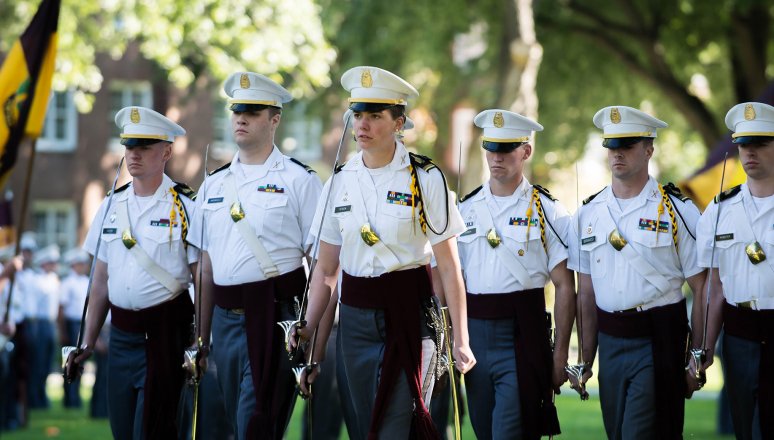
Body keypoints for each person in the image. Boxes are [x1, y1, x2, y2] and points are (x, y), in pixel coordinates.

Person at [295, 66, 476, 440]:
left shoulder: (425, 178)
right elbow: (326, 271)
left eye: (375, 116)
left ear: (399, 123)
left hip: (409, 316)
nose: (363, 124)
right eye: (358, 114)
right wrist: (308, 329)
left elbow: (448, 267)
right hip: (355, 323)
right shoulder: (339, 181)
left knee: (396, 427)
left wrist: (461, 339)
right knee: (365, 429)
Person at [186, 71, 322, 440]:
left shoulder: (300, 180)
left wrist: (312, 337)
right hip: (225, 322)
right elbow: (205, 267)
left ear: (274, 119)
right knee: (238, 421)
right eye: (237, 111)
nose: (241, 119)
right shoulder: (213, 184)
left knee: (255, 422)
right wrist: (201, 338)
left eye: (252, 112)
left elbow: (322, 264)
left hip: (276, 318)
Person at [569, 106, 705, 439]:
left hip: (658, 338)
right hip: (611, 341)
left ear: (648, 149)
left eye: (627, 145)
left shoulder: (677, 211)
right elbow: (585, 292)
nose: (617, 153)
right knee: (617, 431)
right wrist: (585, 359)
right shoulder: (587, 213)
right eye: (611, 146)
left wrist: (699, 354)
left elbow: (703, 287)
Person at [67, 106, 197, 439]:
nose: (133, 155)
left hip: (165, 332)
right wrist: (88, 341)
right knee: (122, 430)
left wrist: (202, 340)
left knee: (154, 430)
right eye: (129, 146)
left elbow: (201, 276)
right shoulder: (111, 205)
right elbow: (100, 281)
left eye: (144, 147)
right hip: (122, 335)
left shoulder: (186, 206)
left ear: (166, 152)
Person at [454, 109, 574, 439]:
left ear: (526, 151)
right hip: (475, 337)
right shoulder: (464, 210)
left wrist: (560, 353)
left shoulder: (548, 211)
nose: (497, 157)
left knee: (512, 430)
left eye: (506, 149)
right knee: (484, 430)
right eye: (491, 148)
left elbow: (565, 285)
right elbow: (453, 279)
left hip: (522, 334)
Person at [695, 102, 774, 439]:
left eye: (760, 143)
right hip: (739, 333)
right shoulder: (718, 210)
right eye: (743, 144)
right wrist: (704, 347)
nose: (749, 152)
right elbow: (714, 288)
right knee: (744, 427)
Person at [27, 244, 60, 410]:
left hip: (50, 323)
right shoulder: (36, 279)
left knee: (47, 362)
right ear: (44, 263)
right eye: (51, 262)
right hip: (39, 323)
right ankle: (35, 398)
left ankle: (42, 396)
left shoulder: (54, 279)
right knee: (38, 363)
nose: (54, 265)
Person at [58, 248, 90, 408]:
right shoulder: (67, 282)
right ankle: (69, 398)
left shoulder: (86, 281)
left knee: (80, 360)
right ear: (74, 264)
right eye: (80, 264)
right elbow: (61, 309)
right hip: (72, 324)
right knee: (70, 361)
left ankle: (76, 397)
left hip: (84, 324)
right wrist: (62, 331)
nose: (83, 266)